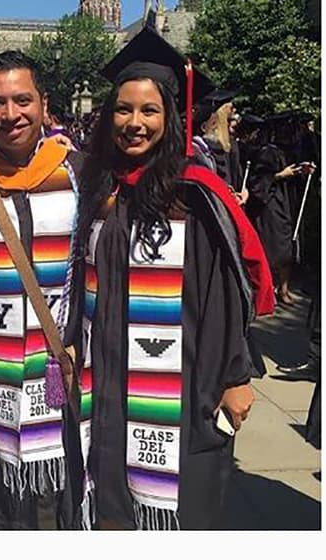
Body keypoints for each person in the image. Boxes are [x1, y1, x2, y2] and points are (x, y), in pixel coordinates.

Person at [68, 26, 274, 530]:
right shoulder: (99, 188)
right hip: (105, 373)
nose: (134, 123)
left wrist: (234, 376)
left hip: (181, 379)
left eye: (149, 111)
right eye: (123, 110)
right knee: (109, 498)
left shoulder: (194, 194)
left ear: (170, 118)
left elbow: (222, 295)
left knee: (172, 508)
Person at [0, 51, 84, 529]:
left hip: (66, 361)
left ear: (44, 103)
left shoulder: (80, 173)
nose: (10, 114)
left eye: (22, 100)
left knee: (62, 495)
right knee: (4, 494)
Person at [244, 117, 313, 306]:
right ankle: (266, 290)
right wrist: (280, 175)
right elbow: (257, 181)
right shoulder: (267, 152)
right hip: (270, 207)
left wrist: (302, 170)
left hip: (285, 204)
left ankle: (283, 289)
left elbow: (291, 176)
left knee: (287, 249)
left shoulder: (287, 151)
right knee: (273, 248)